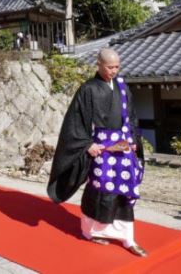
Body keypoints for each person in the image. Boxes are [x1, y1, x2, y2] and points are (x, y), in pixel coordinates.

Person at [47, 48, 147, 257]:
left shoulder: (122, 86)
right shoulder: (88, 89)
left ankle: (127, 237)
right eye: (110, 67)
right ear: (99, 65)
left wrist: (135, 139)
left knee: (125, 189)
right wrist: (86, 144)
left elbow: (132, 115)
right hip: (101, 148)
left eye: (117, 67)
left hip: (124, 145)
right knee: (99, 187)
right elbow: (75, 122)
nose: (114, 71)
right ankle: (91, 231)